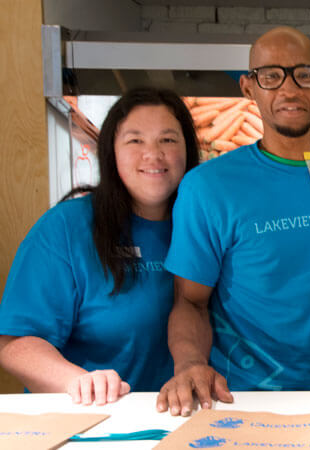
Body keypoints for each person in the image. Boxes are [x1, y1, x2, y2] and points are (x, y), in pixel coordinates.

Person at [156, 26, 310, 416]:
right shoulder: (208, 186)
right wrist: (190, 365)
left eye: (304, 75)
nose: (289, 90)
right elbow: (190, 301)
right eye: (271, 76)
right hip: (245, 399)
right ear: (247, 87)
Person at [0, 87, 199, 404]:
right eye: (135, 140)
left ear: (188, 150)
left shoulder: (205, 226)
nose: (153, 154)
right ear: (111, 152)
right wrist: (78, 382)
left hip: (190, 415)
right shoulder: (66, 228)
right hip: (97, 419)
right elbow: (15, 343)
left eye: (168, 140)